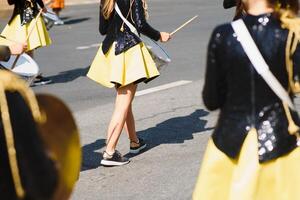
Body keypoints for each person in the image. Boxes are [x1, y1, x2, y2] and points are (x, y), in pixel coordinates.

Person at [193, 0, 300, 199]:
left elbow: (211, 100)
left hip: (230, 145)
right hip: (281, 142)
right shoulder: (292, 32)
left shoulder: (223, 35)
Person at [87, 0, 171, 166]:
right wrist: (159, 35)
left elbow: (102, 30)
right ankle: (110, 152)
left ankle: (135, 142)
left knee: (125, 102)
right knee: (122, 103)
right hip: (128, 51)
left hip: (111, 51)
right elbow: (140, 24)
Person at [1, 0, 52, 86]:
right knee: (25, 47)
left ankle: (28, 75)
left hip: (24, 17)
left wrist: (42, 6)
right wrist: (42, 7)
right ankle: (27, 76)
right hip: (25, 18)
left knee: (28, 47)